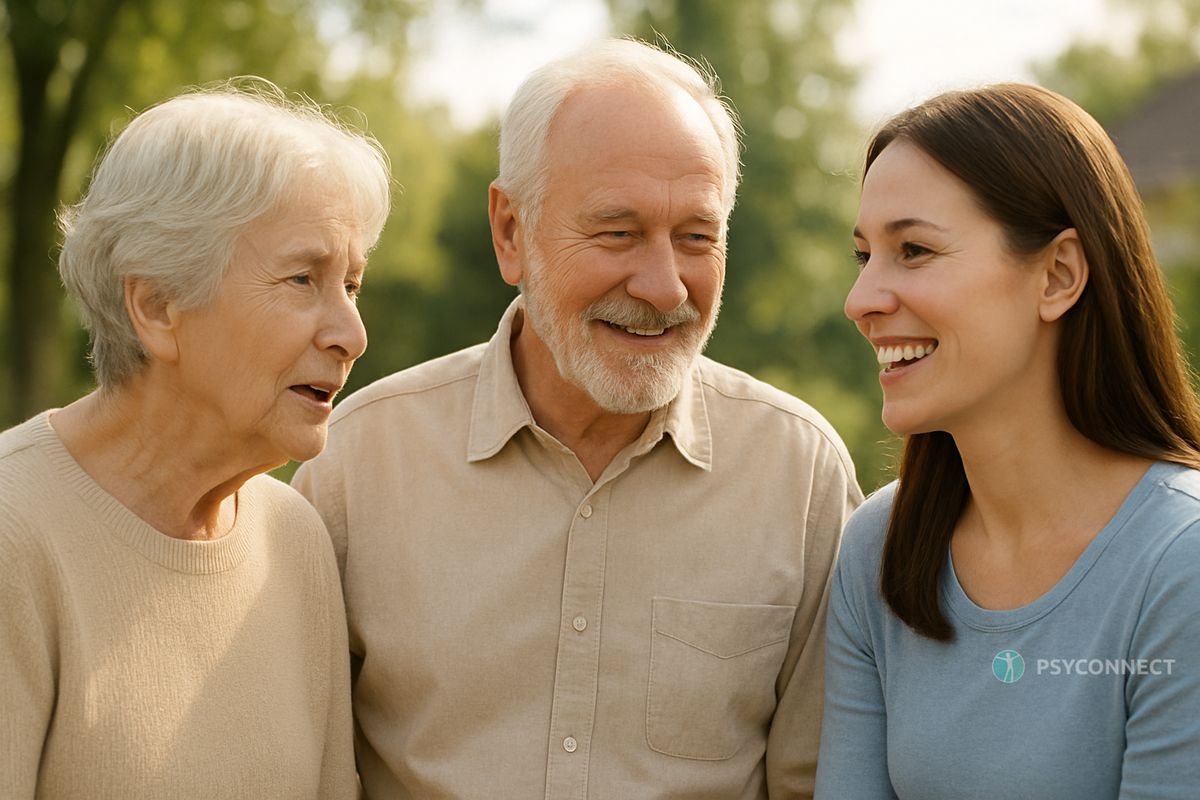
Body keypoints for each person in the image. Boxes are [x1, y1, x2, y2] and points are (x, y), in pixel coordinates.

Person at [294, 38, 861, 799]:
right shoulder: (358, 464)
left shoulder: (802, 478)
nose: (664, 287)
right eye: (617, 232)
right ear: (510, 232)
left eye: (697, 236)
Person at [0, 80, 390, 798]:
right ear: (157, 306)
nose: (351, 335)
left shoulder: (295, 539)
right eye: (304, 279)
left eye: (352, 285)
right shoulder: (13, 532)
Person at [816, 83, 1200, 798]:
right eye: (864, 255)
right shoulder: (879, 548)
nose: (861, 298)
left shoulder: (1183, 565)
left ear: (1057, 275)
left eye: (914, 250)